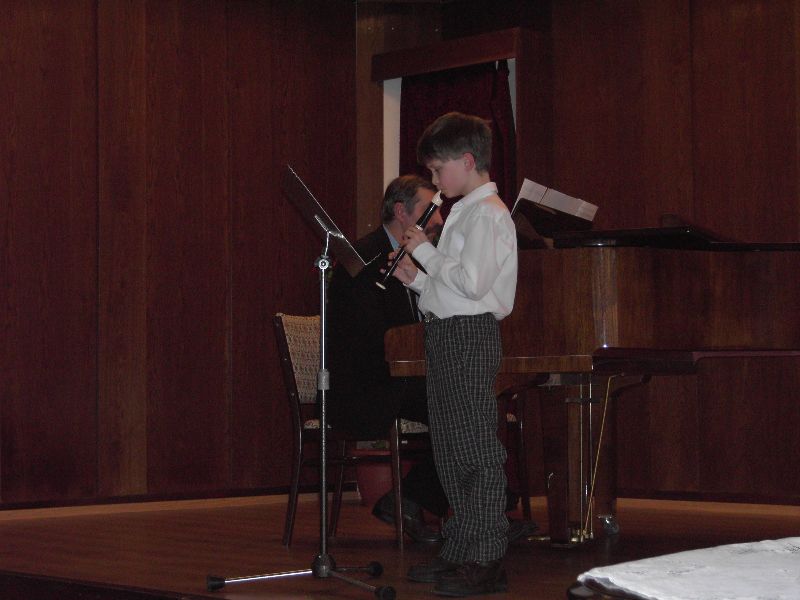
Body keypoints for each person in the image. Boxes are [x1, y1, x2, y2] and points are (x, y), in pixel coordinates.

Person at [390, 112, 518, 596]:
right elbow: (450, 289)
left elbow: (473, 284)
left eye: (438, 169)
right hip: (448, 332)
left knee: (475, 450)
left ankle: (486, 557)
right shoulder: (466, 210)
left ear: (466, 161)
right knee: (449, 447)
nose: (435, 179)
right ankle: (462, 546)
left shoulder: (489, 214)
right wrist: (416, 279)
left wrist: (424, 251)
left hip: (468, 336)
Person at [327, 174, 448, 543]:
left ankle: (413, 500)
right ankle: (414, 500)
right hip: (367, 384)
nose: (440, 220)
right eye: (430, 211)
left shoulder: (423, 258)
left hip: (401, 376)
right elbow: (368, 339)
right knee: (455, 402)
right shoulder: (362, 259)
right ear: (401, 212)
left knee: (465, 399)